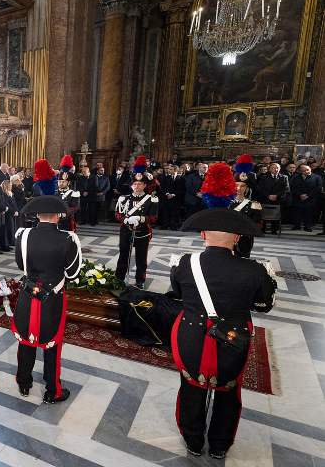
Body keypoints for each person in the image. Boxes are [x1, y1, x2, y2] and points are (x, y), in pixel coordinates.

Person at [171, 208, 276, 458]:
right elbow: (264, 305)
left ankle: (193, 441)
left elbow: (177, 293)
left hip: (191, 333)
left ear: (204, 235)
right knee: (228, 391)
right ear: (237, 238)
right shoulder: (255, 269)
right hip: (233, 338)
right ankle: (219, 445)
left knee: (191, 385)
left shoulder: (185, 263)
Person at [11, 195, 82, 403]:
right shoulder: (68, 238)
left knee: (25, 341)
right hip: (53, 299)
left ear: (37, 215)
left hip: (27, 294)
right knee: (52, 344)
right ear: (58, 216)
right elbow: (73, 274)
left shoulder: (23, 235)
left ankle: (24, 384)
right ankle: (52, 390)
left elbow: (19, 264)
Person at [114, 177, 159, 289]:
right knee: (123, 255)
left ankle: (140, 280)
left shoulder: (151, 199)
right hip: (126, 231)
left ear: (144, 185)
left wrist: (140, 218)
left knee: (141, 257)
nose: (137, 186)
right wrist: (125, 220)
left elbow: (153, 218)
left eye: (140, 184)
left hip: (143, 231)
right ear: (131, 186)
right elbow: (118, 214)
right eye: (135, 184)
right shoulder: (124, 198)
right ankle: (119, 278)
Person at [229, 181, 262, 258]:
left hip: (245, 238)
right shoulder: (226, 203)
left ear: (247, 188)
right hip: (228, 237)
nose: (239, 188)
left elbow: (257, 223)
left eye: (243, 186)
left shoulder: (254, 204)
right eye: (236, 185)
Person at [254, 163, 289, 234]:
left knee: (276, 214)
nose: (276, 169)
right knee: (264, 214)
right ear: (269, 169)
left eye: (277, 168)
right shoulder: (264, 177)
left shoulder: (284, 177)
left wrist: (276, 196)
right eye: (273, 168)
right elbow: (260, 188)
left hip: (278, 199)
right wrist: (268, 195)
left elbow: (286, 189)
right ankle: (263, 229)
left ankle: (274, 229)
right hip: (265, 198)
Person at [290, 165, 322, 231]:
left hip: (311, 199)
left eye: (307, 169)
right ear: (301, 171)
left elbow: (318, 188)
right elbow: (293, 187)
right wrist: (300, 195)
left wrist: (308, 196)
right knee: (297, 212)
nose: (306, 171)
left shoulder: (317, 177)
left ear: (310, 169)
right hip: (298, 198)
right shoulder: (296, 177)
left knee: (309, 213)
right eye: (304, 171)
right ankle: (297, 226)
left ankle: (308, 226)